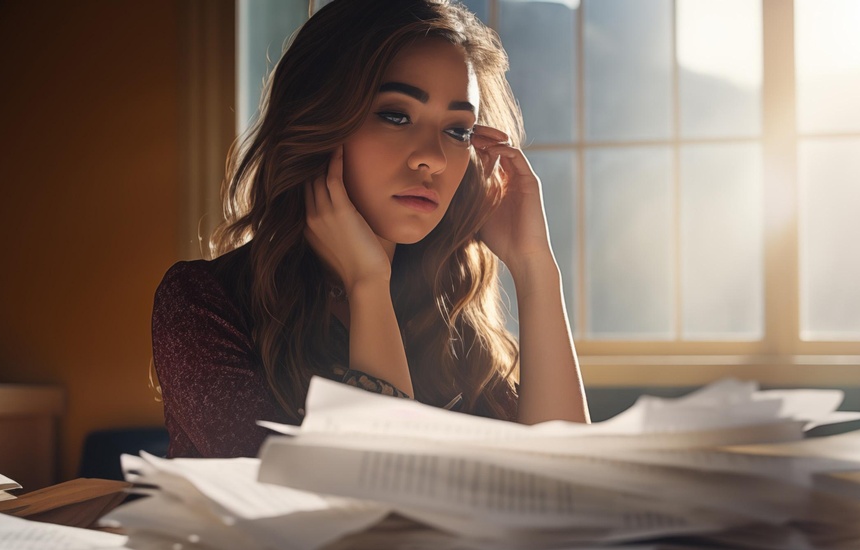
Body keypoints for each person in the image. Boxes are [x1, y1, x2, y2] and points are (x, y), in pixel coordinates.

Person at [151, 0, 588, 459]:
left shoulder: (447, 316)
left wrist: (535, 268)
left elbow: (572, 487)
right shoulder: (203, 303)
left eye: (458, 131)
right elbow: (372, 510)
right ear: (319, 121)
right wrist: (367, 285)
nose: (434, 158)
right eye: (397, 115)